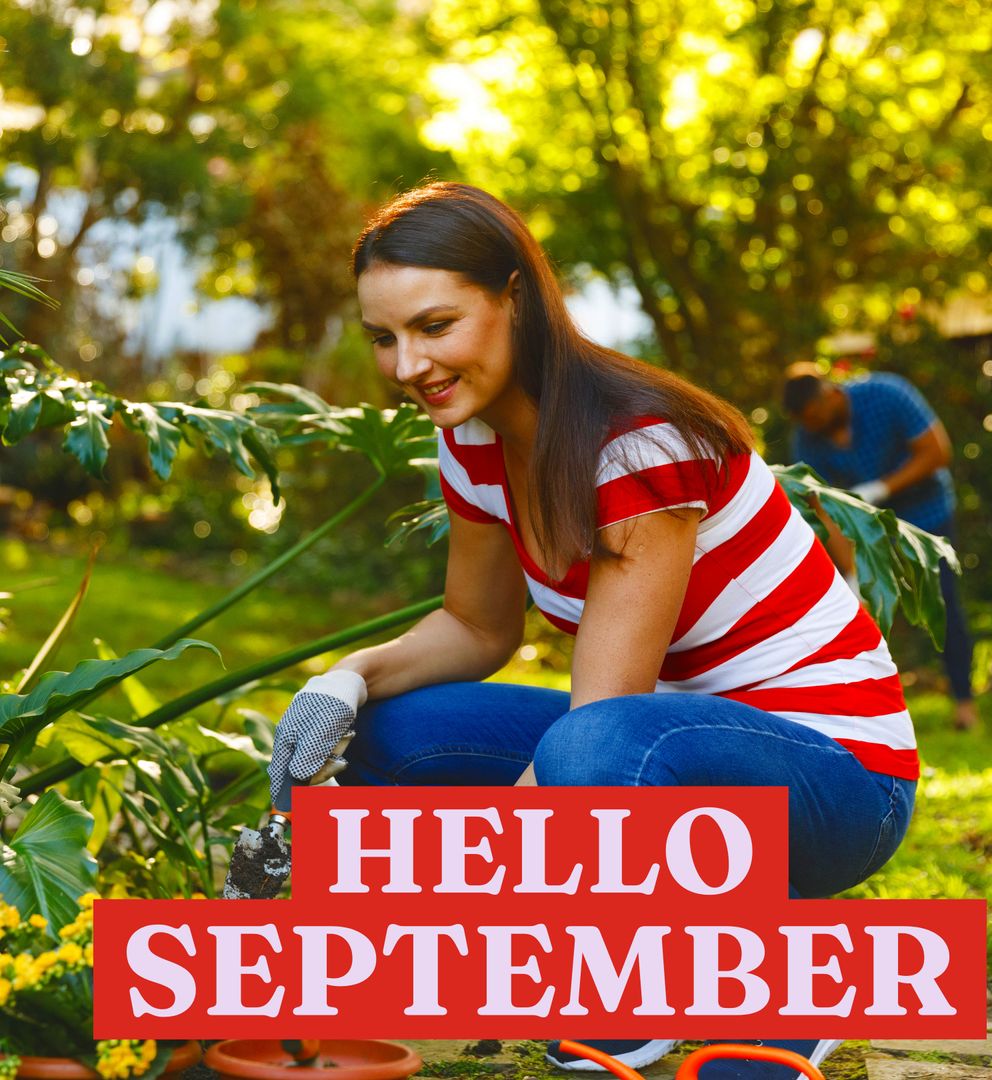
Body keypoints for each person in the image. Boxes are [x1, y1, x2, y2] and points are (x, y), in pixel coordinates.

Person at [267, 183, 919, 1080]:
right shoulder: (473, 442)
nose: (409, 364)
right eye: (386, 338)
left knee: (595, 745)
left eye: (435, 325)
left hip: (836, 780)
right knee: (392, 729)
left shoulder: (638, 440)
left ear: (516, 300)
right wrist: (344, 682)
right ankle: (637, 994)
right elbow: (474, 624)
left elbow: (600, 721)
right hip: (661, 750)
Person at [781, 364, 977, 731]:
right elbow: (821, 509)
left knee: (944, 606)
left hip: (927, 518)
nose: (813, 425)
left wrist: (882, 489)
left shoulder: (887, 394)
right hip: (868, 533)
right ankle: (876, 714)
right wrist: (851, 576)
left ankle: (964, 702)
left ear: (832, 394)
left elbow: (937, 452)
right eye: (806, 422)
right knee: (865, 618)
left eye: (816, 416)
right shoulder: (807, 439)